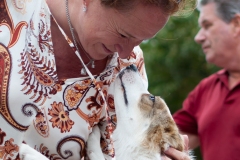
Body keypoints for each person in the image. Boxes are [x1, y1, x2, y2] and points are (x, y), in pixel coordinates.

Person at [0, 0, 194, 159]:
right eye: (124, 34)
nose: (126, 53)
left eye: (141, 40)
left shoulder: (130, 65)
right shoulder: (10, 14)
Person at [173, 0, 240, 159]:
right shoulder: (206, 89)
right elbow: (168, 141)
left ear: (236, 24)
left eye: (207, 25)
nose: (198, 37)